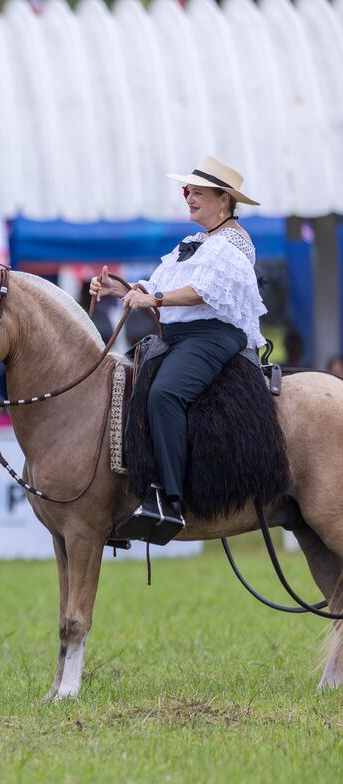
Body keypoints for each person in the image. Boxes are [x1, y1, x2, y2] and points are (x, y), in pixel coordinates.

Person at [92, 156, 265, 541]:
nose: (188, 197)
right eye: (187, 191)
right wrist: (119, 289)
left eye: (197, 192)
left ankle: (170, 499)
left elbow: (200, 292)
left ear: (224, 200)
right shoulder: (195, 242)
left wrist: (154, 298)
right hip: (179, 337)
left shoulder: (232, 241)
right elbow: (158, 286)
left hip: (213, 336)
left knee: (166, 393)